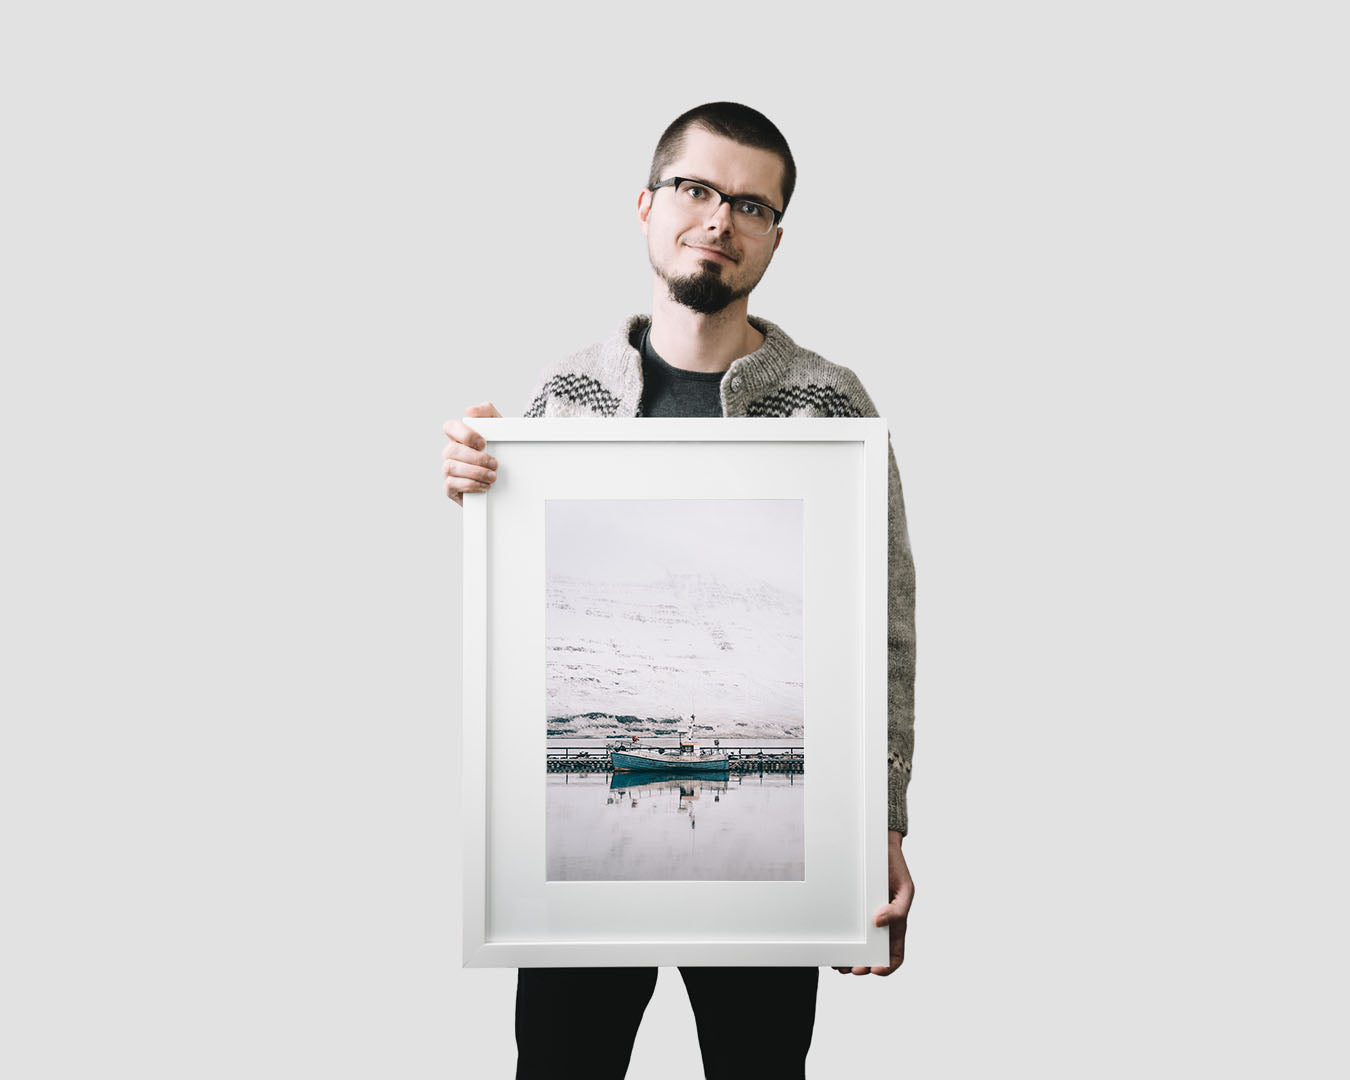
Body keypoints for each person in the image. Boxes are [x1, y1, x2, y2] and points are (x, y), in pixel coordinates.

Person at [443, 102, 916, 1079]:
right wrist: (478, 493)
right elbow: (529, 606)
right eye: (697, 190)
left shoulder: (830, 404)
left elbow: (886, 627)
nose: (719, 219)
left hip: (777, 855)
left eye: (751, 204)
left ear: (775, 237)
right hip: (570, 860)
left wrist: (884, 818)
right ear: (648, 204)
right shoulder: (566, 395)